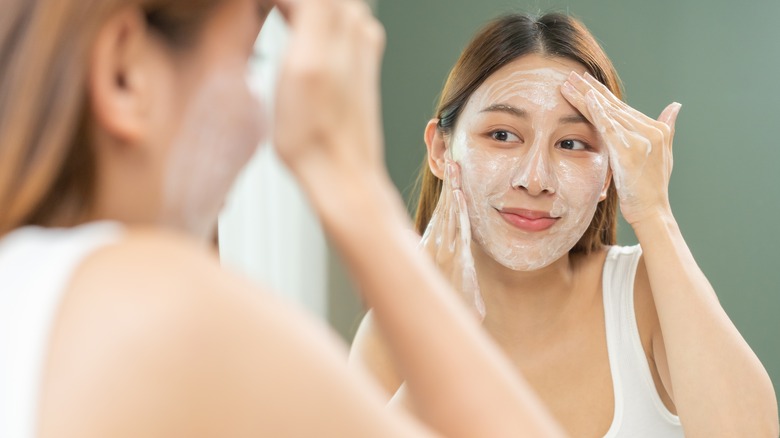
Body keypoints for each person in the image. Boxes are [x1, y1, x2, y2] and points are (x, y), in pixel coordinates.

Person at [0, 0, 569, 437]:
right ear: (126, 73)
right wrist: (350, 179)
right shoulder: (152, 308)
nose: (260, 121)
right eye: (248, 61)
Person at [350, 12, 779, 437]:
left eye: (572, 143)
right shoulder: (393, 328)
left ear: (609, 174)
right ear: (442, 151)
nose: (534, 180)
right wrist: (438, 339)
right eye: (502, 135)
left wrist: (654, 213)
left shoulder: (643, 296)